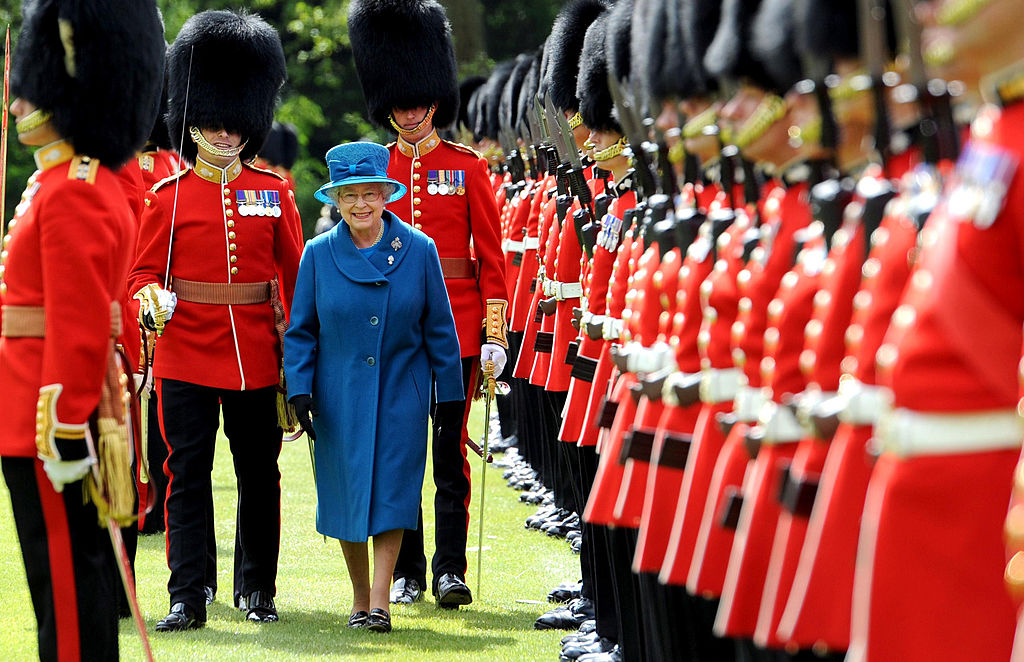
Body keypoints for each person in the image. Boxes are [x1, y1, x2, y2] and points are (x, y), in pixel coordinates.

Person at [0, 0, 165, 659]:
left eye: (26, 94)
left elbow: (77, 323)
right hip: (35, 409)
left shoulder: (76, 189)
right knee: (69, 581)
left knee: (68, 588)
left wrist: (64, 426)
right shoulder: (66, 183)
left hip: (48, 418)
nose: (16, 108)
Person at [129, 9, 303, 631]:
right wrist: (150, 300)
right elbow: (141, 274)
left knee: (259, 475)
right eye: (214, 122)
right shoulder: (167, 196)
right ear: (193, 122)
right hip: (184, 353)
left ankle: (257, 587)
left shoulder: (273, 191)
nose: (226, 133)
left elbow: (294, 278)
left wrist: (298, 356)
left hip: (255, 350)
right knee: (186, 477)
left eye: (236, 123)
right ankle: (188, 593)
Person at [348, 0, 509, 608]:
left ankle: (449, 569)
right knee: (400, 452)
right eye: (401, 103)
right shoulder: (377, 170)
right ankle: (410, 569)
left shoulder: (465, 168)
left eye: (419, 102)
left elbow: (492, 260)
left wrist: (494, 333)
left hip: (459, 330)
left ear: (435, 100)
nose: (410, 113)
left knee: (448, 456)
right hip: (392, 331)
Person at [284, 141, 464, 633]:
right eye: (348, 196)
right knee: (344, 495)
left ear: (387, 194)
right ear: (335, 201)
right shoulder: (318, 254)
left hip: (400, 392)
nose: (360, 205)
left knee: (392, 493)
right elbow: (301, 329)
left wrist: (449, 394)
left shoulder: (420, 249)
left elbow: (440, 329)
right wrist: (299, 388)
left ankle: (381, 600)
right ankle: (360, 597)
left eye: (370, 193)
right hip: (338, 395)